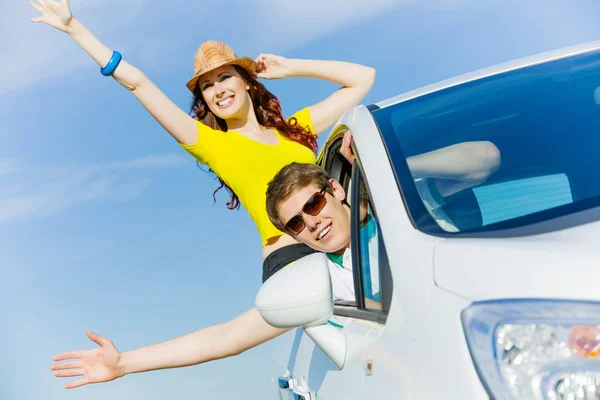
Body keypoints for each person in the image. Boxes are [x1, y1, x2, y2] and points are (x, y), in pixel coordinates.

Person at [31, 0, 377, 389]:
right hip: (292, 256)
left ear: (247, 80)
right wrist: (75, 27)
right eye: (207, 86)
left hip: (334, 235)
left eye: (225, 77)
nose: (217, 90)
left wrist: (291, 67)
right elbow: (138, 83)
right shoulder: (211, 143)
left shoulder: (296, 129)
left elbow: (363, 79)